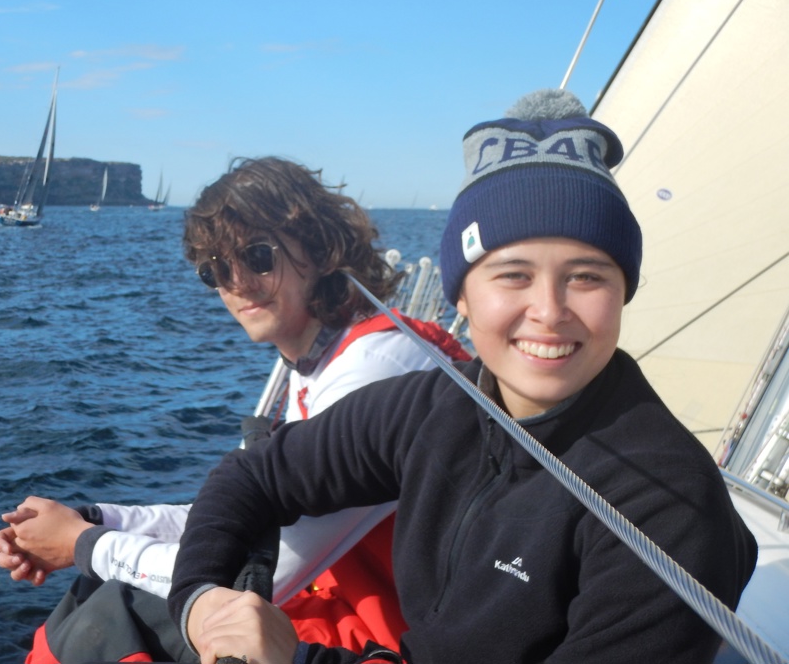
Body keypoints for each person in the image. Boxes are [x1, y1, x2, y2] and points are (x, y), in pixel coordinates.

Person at [167, 90, 760, 664]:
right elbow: (253, 476)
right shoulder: (432, 408)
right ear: (464, 299)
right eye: (513, 276)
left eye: (586, 276)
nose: (550, 311)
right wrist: (200, 600)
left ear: (623, 294)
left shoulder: (666, 509)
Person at [0, 156, 470, 663]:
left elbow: (258, 574)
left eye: (259, 257)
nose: (237, 282)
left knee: (112, 612)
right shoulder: (316, 365)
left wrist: (84, 544)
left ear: (321, 248)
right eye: (217, 270)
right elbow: (227, 522)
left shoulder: (375, 367)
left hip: (396, 634)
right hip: (345, 601)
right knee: (96, 598)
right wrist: (93, 520)